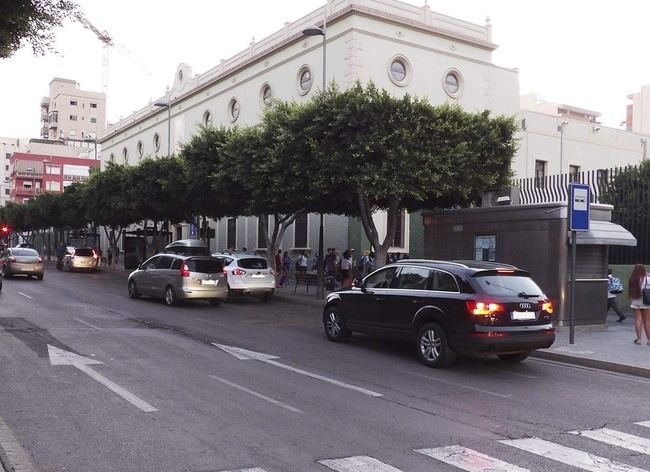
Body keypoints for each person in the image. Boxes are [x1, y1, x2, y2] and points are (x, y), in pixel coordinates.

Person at [628, 264, 650, 345]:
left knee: (638, 320)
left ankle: (639, 340)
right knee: (647, 321)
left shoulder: (633, 279)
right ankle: (649, 340)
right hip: (646, 301)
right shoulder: (648, 279)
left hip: (635, 300)